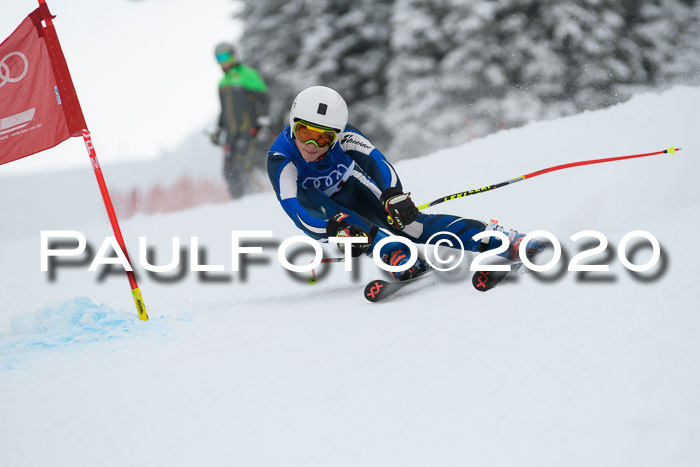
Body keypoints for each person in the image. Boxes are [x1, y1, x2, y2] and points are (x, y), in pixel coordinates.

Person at [266, 86, 545, 280]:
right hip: (316, 205)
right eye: (305, 132)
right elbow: (296, 209)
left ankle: (503, 240)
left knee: (411, 224)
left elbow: (376, 161)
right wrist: (331, 227)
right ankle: (397, 255)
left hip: (350, 186)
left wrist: (392, 195)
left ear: (336, 136)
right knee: (358, 232)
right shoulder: (281, 159)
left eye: (324, 138)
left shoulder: (347, 136)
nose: (312, 145)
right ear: (293, 124)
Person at [210, 42, 271, 199]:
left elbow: (264, 98)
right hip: (230, 132)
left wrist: (263, 122)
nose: (223, 60)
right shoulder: (222, 83)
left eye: (225, 56)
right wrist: (218, 130)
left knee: (241, 164)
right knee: (227, 169)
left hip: (247, 129)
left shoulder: (247, 74)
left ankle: (254, 199)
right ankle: (238, 202)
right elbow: (224, 110)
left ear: (234, 55)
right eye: (219, 57)